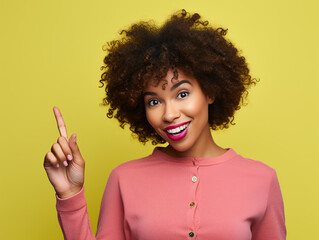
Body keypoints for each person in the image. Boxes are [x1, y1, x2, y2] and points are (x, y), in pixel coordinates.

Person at [43, 9, 286, 240]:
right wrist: (69, 194)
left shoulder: (261, 180)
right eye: (154, 101)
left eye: (182, 94)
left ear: (210, 92)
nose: (169, 114)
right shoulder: (124, 179)